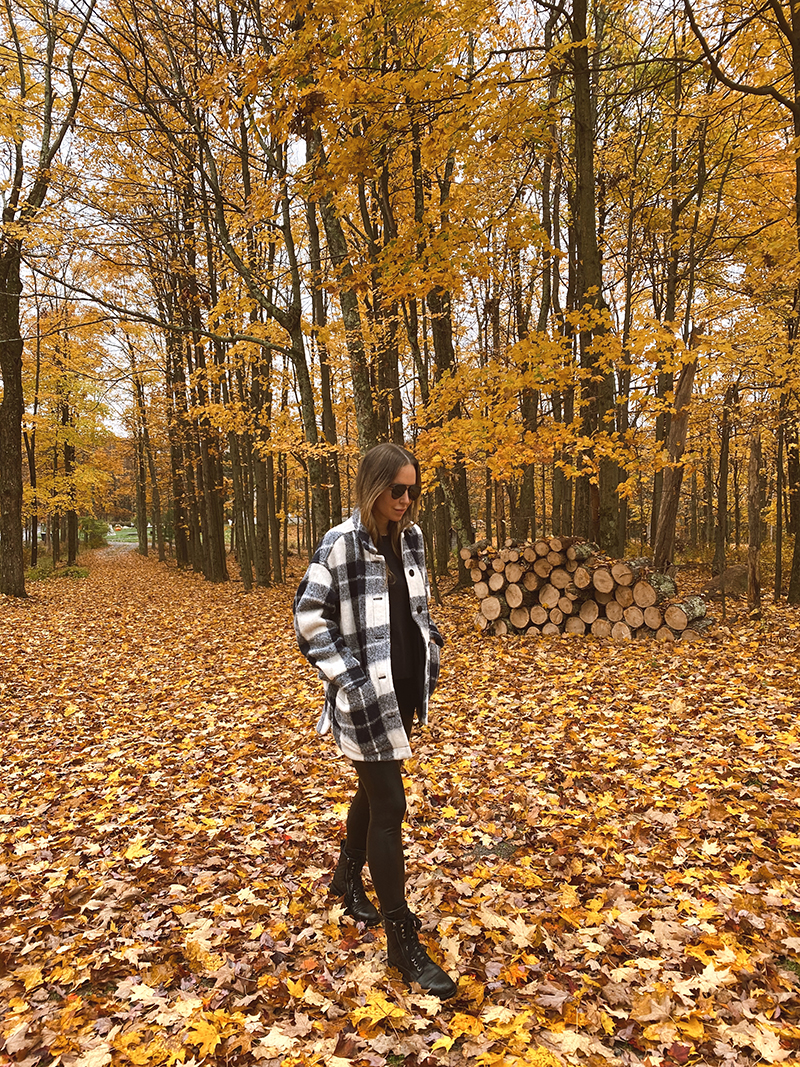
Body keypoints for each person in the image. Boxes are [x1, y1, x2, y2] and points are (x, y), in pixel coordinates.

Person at [293, 442, 457, 999]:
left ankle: (347, 874)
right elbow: (309, 620)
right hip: (365, 698)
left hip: (407, 690)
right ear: (373, 488)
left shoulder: (411, 538)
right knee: (390, 805)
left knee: (372, 789)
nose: (407, 500)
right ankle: (400, 940)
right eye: (397, 490)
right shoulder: (340, 544)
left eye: (413, 490)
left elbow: (417, 608)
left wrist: (431, 641)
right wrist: (351, 681)